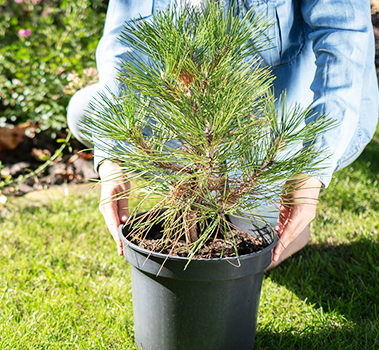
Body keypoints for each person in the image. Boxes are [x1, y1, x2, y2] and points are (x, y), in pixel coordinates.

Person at [67, 0, 379, 267]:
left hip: (280, 125)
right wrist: (113, 159)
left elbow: (344, 42)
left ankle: (266, 200)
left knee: (250, 241)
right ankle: (204, 188)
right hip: (202, 120)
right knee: (85, 110)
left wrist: (310, 171)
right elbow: (122, 43)